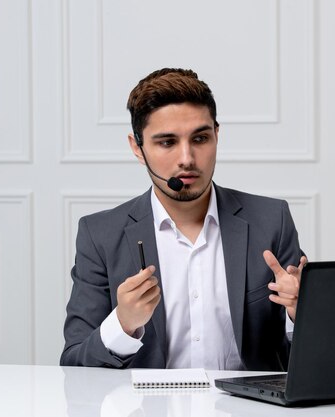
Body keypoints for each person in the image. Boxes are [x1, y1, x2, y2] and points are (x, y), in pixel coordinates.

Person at [60, 68, 307, 371]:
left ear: (217, 135)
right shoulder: (99, 235)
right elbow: (74, 364)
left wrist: (301, 315)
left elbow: (304, 362)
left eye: (200, 138)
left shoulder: (271, 220)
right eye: (167, 142)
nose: (187, 159)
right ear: (137, 148)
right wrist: (122, 325)